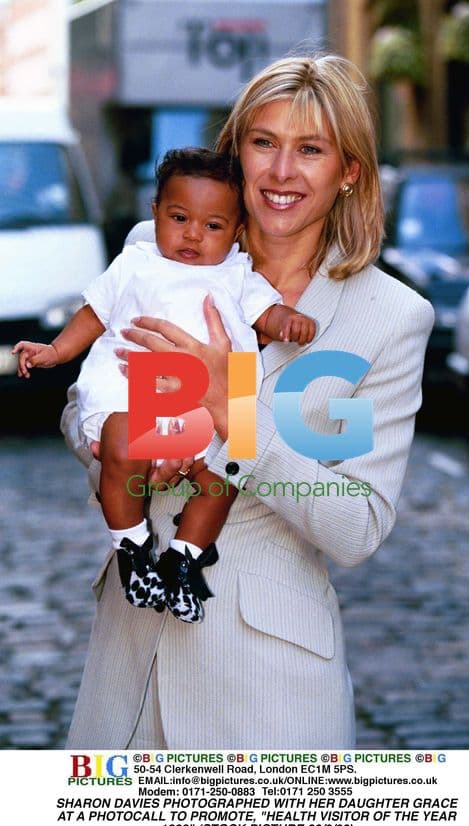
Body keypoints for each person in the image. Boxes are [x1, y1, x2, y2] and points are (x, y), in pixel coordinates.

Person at [61, 54, 434, 749]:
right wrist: (123, 449)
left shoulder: (387, 317)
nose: (281, 171)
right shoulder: (160, 248)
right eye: (264, 142)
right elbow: (86, 393)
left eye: (311, 149)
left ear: (349, 171)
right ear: (237, 152)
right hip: (127, 672)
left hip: (268, 691)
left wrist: (230, 410)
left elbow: (356, 525)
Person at [13, 148, 314, 624]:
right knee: (122, 441)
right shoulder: (135, 263)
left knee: (226, 473)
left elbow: (266, 313)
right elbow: (93, 314)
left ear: (237, 231)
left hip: (218, 409)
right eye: (179, 218)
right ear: (155, 212)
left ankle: (183, 558)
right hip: (133, 392)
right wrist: (56, 351)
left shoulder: (237, 273)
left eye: (213, 225)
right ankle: (133, 549)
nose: (193, 234)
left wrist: (287, 321)